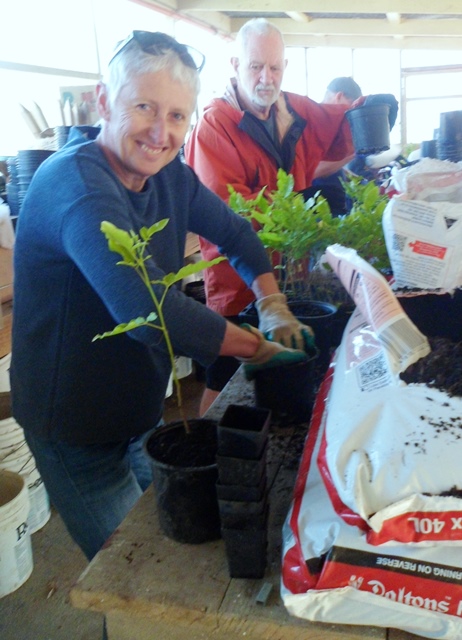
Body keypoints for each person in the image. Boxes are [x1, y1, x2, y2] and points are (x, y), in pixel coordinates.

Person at [10, 30, 311, 562]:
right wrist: (255, 348)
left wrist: (272, 303)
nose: (160, 132)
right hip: (75, 426)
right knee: (128, 564)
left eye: (176, 116)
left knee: (169, 534)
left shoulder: (171, 174)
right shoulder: (78, 187)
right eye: (144, 107)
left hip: (140, 411)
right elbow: (148, 311)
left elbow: (236, 234)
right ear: (105, 101)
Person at [184, 18, 357, 414]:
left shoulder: (290, 110)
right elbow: (228, 213)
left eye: (275, 67)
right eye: (256, 66)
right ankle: (209, 437)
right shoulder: (214, 126)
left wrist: (364, 110)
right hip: (238, 277)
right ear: (235, 65)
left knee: (277, 366)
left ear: (285, 67)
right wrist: (297, 216)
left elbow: (334, 121)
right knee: (224, 374)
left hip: (288, 272)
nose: (267, 78)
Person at [311, 77, 363, 216]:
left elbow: (329, 161)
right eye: (350, 107)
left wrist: (354, 178)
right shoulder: (311, 122)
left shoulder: (331, 124)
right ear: (339, 96)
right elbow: (311, 171)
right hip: (318, 206)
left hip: (334, 199)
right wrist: (353, 154)